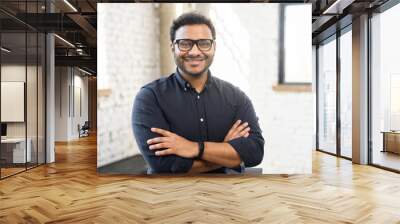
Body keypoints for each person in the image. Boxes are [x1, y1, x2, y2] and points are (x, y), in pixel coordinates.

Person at [132, 12, 264, 174]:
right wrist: (225, 152)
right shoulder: (150, 97)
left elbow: (255, 153)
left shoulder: (236, 97)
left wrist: (194, 148)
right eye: (185, 43)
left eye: (204, 43)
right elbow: (165, 166)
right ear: (173, 47)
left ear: (214, 47)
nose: (194, 51)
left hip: (226, 194)